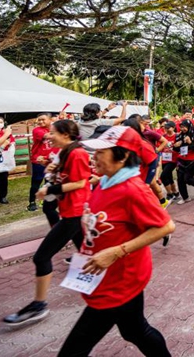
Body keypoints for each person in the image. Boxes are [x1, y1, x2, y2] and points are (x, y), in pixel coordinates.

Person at [57, 126, 174, 356]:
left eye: (102, 152)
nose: (95, 157)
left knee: (74, 348)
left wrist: (116, 252)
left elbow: (165, 226)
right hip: (104, 275)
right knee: (135, 331)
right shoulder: (104, 181)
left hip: (120, 280)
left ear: (122, 157)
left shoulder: (134, 190)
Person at [4, 120, 91, 326]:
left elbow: (80, 182)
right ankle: (104, 284)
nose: (48, 136)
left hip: (75, 213)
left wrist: (48, 191)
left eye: (52, 133)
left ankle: (39, 304)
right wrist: (50, 167)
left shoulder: (77, 153)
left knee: (41, 257)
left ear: (66, 134)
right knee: (86, 251)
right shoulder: (65, 152)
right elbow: (66, 176)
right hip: (71, 209)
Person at [28, 113, 54, 212]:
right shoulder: (37, 130)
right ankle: (32, 202)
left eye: (43, 119)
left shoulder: (53, 128)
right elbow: (48, 136)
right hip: (38, 159)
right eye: (39, 120)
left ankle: (46, 200)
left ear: (50, 119)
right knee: (36, 181)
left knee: (49, 181)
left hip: (50, 160)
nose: (41, 122)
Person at [173, 119, 194, 204]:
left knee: (187, 178)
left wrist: (190, 142)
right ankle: (185, 197)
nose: (183, 129)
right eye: (181, 127)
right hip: (181, 160)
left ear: (189, 126)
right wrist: (176, 145)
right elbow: (175, 149)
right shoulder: (179, 136)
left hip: (192, 160)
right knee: (180, 179)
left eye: (184, 127)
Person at [158, 122, 180, 202]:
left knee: (163, 176)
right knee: (169, 177)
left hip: (173, 160)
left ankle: (169, 193)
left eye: (168, 128)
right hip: (165, 159)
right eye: (165, 128)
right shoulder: (163, 137)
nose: (166, 130)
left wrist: (179, 162)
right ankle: (176, 192)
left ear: (173, 127)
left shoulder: (177, 136)